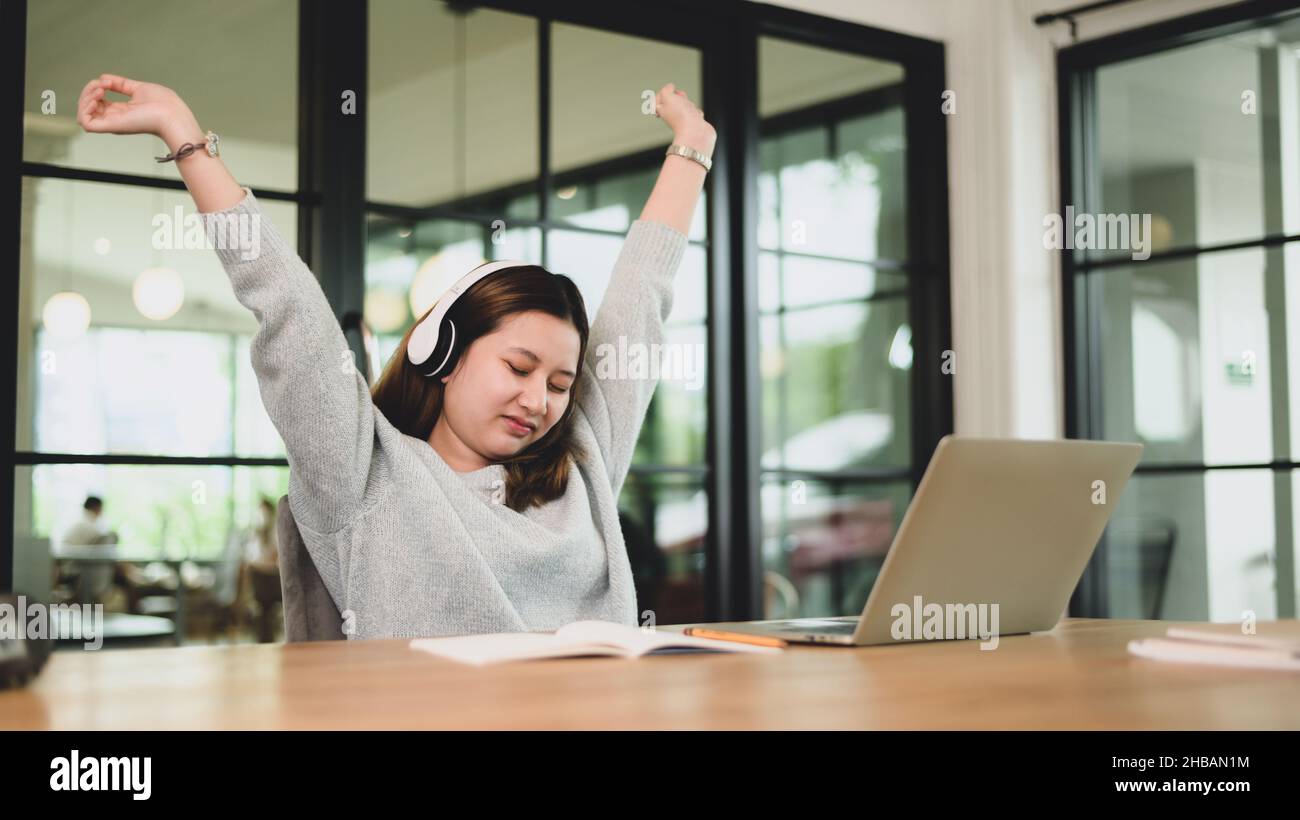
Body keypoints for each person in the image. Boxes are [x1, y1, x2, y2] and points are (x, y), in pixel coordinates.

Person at [77, 73, 713, 640]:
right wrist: (186, 141)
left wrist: (691, 151)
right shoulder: (361, 472)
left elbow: (639, 303)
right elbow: (290, 309)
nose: (538, 401)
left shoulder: (583, 459)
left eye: (559, 384)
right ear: (442, 351)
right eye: (518, 369)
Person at [60, 495, 119, 604]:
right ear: (98, 508)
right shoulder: (91, 526)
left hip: (67, 573)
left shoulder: (76, 523)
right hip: (79, 576)